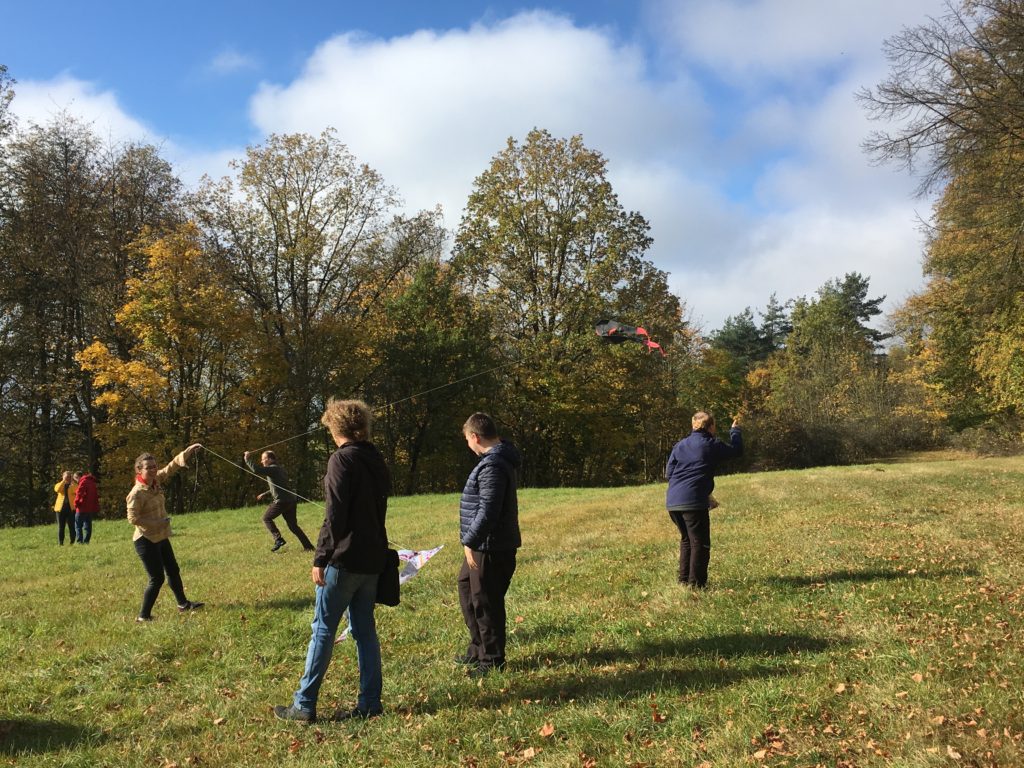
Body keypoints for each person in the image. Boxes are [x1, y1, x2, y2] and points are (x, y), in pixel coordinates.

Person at [275, 399, 391, 724]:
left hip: (344, 560)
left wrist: (321, 556)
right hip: (373, 559)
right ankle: (370, 703)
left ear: (335, 427)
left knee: (323, 630)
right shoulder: (375, 458)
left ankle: (304, 705)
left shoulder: (342, 459)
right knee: (365, 632)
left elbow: (334, 514)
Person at [457, 412, 522, 678]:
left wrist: (469, 541)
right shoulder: (492, 462)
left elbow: (488, 511)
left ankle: (492, 660)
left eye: (467, 440)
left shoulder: (493, 466)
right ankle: (478, 648)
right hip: (483, 544)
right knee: (467, 589)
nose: (468, 445)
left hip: (490, 547)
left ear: (475, 437)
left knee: (486, 602)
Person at [127, 444, 206, 621]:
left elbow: (171, 467)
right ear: (139, 470)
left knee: (173, 570)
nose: (153, 470)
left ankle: (183, 604)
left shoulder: (155, 481)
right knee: (156, 579)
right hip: (146, 540)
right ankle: (143, 616)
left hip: (161, 536)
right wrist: (156, 523)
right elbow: (132, 518)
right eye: (148, 468)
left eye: (154, 466)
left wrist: (189, 451)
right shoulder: (137, 493)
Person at [665, 412, 742, 589]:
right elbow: (736, 451)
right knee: (700, 543)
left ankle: (684, 580)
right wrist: (735, 431)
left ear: (693, 426)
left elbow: (669, 473)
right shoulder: (711, 444)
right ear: (711, 427)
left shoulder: (680, 445)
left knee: (687, 540)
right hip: (693, 502)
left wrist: (704, 493)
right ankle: (696, 585)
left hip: (673, 502)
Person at [244, 449, 314, 552]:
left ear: (270, 459)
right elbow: (278, 487)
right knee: (293, 526)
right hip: (291, 501)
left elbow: (256, 470)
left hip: (282, 501)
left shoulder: (272, 469)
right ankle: (308, 547)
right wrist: (265, 494)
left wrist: (247, 459)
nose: (261, 461)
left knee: (266, 518)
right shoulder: (279, 469)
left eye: (263, 459)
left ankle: (278, 539)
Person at [53, 471, 79, 546]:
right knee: (61, 527)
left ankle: (72, 542)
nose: (68, 478)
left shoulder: (74, 485)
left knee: (72, 526)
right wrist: (63, 481)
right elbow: (57, 489)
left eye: (70, 477)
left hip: (71, 508)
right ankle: (61, 543)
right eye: (67, 476)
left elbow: (77, 490)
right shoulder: (59, 484)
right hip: (60, 509)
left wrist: (72, 483)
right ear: (63, 476)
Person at [74, 469, 99, 543]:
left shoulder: (83, 482)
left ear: (78, 477)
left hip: (82, 507)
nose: (76, 481)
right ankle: (87, 540)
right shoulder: (92, 482)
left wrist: (76, 503)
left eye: (76, 479)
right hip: (90, 507)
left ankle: (79, 541)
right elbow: (95, 495)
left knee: (78, 525)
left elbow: (79, 493)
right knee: (88, 525)